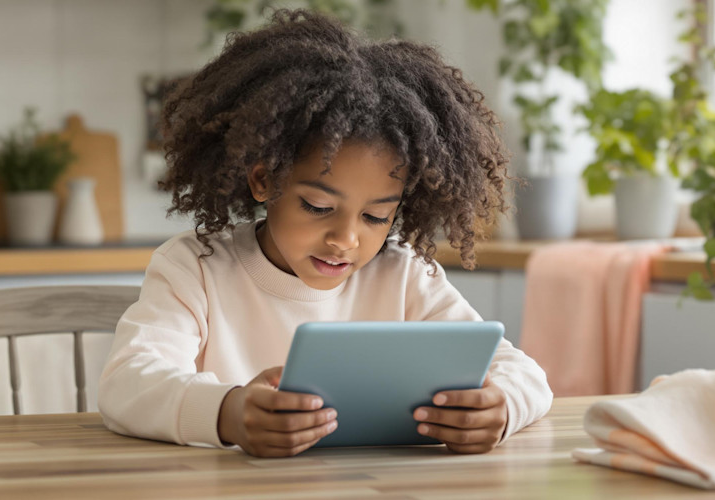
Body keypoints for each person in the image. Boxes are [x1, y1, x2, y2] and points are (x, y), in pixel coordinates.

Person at [98, 9, 552, 458]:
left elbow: (525, 374)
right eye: (318, 207)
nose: (345, 239)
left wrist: (502, 407)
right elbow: (127, 382)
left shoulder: (405, 275)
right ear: (263, 180)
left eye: (376, 217)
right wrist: (227, 412)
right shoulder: (194, 269)